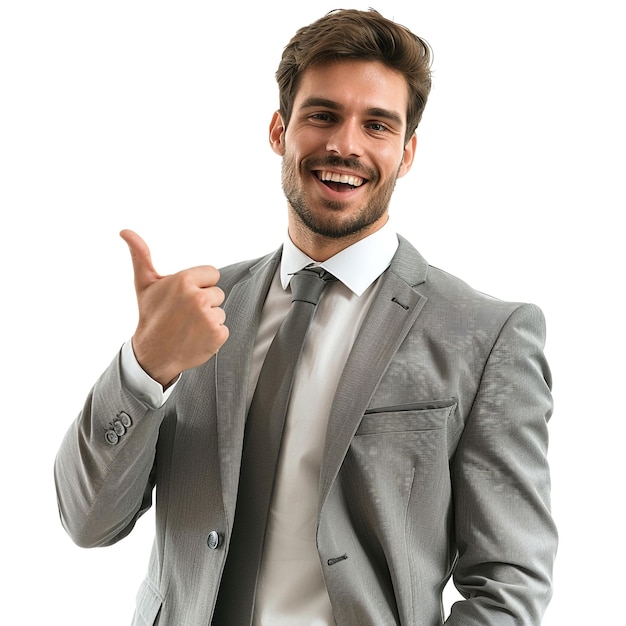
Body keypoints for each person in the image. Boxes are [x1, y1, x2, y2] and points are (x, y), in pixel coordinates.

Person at [54, 8, 557, 625]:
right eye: (322, 115)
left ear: (407, 152)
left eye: (377, 125)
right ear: (278, 130)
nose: (345, 144)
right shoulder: (199, 311)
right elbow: (87, 523)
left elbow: (510, 584)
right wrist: (144, 365)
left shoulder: (485, 336)